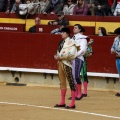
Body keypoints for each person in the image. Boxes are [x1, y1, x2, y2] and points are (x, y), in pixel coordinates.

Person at [54, 28, 78, 109]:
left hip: (67, 64)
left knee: (71, 82)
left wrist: (60, 56)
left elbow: (72, 54)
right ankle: (62, 101)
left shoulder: (72, 42)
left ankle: (73, 103)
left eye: (63, 32)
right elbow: (58, 52)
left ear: (67, 33)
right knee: (62, 82)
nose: (61, 34)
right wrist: (56, 56)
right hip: (60, 63)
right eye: (61, 32)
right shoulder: (61, 42)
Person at [69, 24, 87, 100]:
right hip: (72, 59)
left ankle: (79, 94)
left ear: (80, 30)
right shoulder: (72, 38)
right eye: (73, 28)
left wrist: (74, 55)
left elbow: (83, 50)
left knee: (76, 76)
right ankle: (76, 93)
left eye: (76, 28)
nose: (74, 29)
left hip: (78, 58)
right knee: (73, 77)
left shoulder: (83, 39)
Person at [111, 27, 120, 97]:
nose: (118, 35)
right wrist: (112, 50)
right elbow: (113, 47)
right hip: (117, 58)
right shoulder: (116, 39)